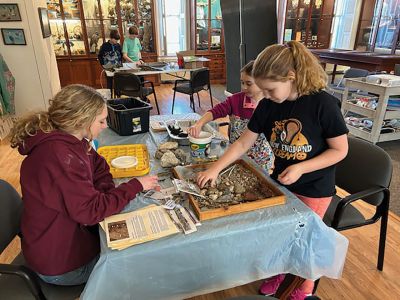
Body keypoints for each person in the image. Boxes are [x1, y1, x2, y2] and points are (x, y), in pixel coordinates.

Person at [196, 40, 349, 300]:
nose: (264, 95)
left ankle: (302, 289)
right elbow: (245, 141)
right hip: (282, 182)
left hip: (315, 188)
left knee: (304, 242)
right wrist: (216, 168)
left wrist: (302, 167)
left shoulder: (323, 104)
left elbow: (340, 150)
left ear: (291, 76)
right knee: (282, 236)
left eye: (269, 89)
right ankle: (281, 272)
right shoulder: (268, 104)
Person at [10, 84, 159, 286]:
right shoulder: (58, 156)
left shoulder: (70, 138)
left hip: (61, 240)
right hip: (61, 265)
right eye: (101, 121)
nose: (105, 126)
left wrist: (106, 192)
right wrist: (135, 186)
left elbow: (97, 164)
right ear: (82, 121)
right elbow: (91, 212)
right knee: (135, 264)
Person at [187, 60, 274, 173]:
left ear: (262, 83)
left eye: (248, 83)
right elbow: (215, 111)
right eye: (242, 82)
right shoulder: (236, 100)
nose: (243, 87)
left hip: (262, 161)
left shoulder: (271, 105)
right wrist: (199, 124)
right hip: (235, 156)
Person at [98, 29, 123, 94]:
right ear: (111, 38)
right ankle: (110, 96)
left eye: (117, 40)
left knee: (118, 82)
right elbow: (100, 56)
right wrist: (103, 65)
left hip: (117, 68)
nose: (116, 41)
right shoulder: (104, 46)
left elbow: (121, 55)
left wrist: (120, 64)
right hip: (108, 68)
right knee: (109, 83)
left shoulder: (118, 46)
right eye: (115, 39)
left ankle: (118, 96)